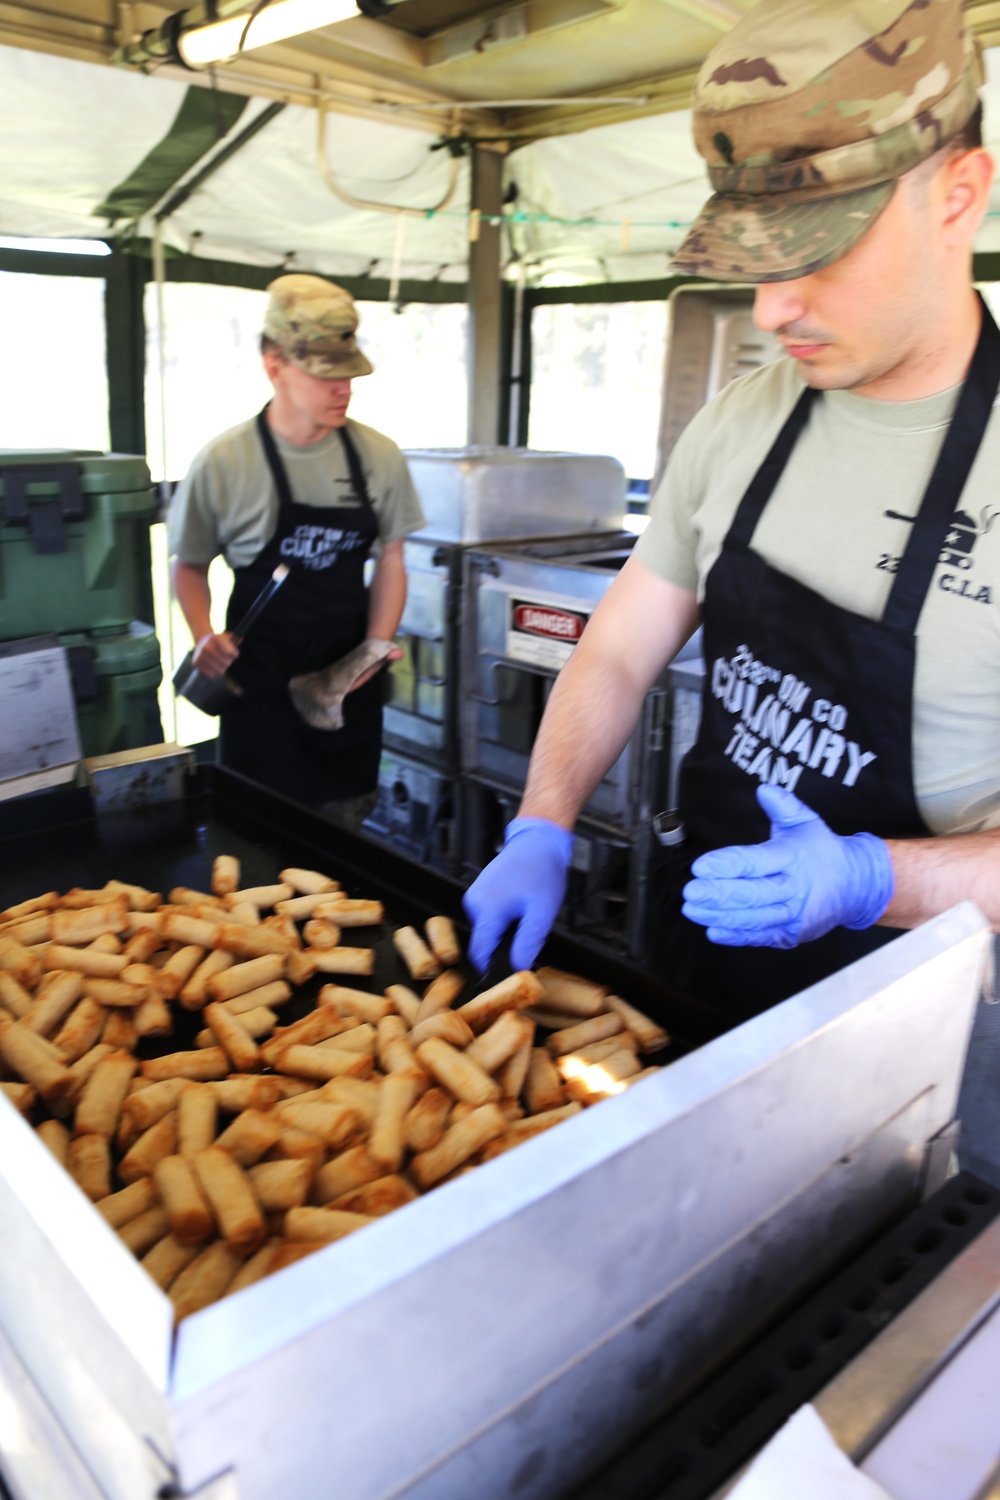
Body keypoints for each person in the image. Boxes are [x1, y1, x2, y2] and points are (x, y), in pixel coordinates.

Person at [464, 0, 1000, 1176]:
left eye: (819, 248)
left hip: (937, 1034)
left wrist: (873, 877)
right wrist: (543, 819)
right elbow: (614, 649)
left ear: (959, 191)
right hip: (712, 968)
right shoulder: (745, 419)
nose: (770, 309)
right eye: (751, 257)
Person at [168, 274, 426, 827]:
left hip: (345, 690)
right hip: (258, 696)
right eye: (324, 374)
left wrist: (376, 645)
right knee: (252, 846)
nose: (344, 389)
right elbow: (188, 565)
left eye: (350, 374)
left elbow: (393, 559)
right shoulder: (225, 462)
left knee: (344, 839)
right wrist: (203, 635)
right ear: (275, 364)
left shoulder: (377, 456)